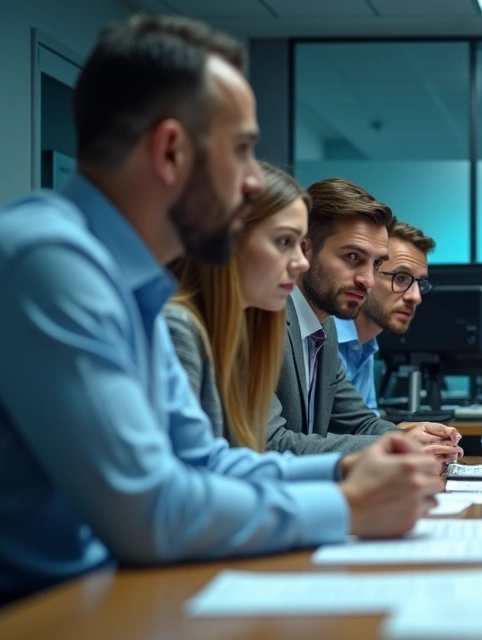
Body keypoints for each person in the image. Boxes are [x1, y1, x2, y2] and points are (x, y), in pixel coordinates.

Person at [0, 15, 441, 604]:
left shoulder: (133, 283)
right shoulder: (50, 261)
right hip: (40, 609)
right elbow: (150, 510)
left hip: (97, 594)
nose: (256, 183)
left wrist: (345, 472)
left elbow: (206, 461)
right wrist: (346, 505)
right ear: (172, 152)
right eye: (241, 151)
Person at [269, 177, 460, 458]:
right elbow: (270, 443)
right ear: (304, 249)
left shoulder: (324, 327)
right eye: (352, 257)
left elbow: (360, 423)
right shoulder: (262, 320)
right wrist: (398, 446)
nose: (368, 280)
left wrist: (412, 439)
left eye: (377, 264)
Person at [165, 161, 308, 451]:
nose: (302, 263)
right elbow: (191, 479)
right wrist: (344, 475)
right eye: (284, 241)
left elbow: (237, 466)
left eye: (301, 245)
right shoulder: (176, 329)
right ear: (229, 240)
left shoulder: (242, 333)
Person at [333, 220, 435, 411]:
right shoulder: (320, 339)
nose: (416, 297)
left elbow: (363, 427)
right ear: (368, 274)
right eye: (401, 278)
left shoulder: (365, 347)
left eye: (420, 283)